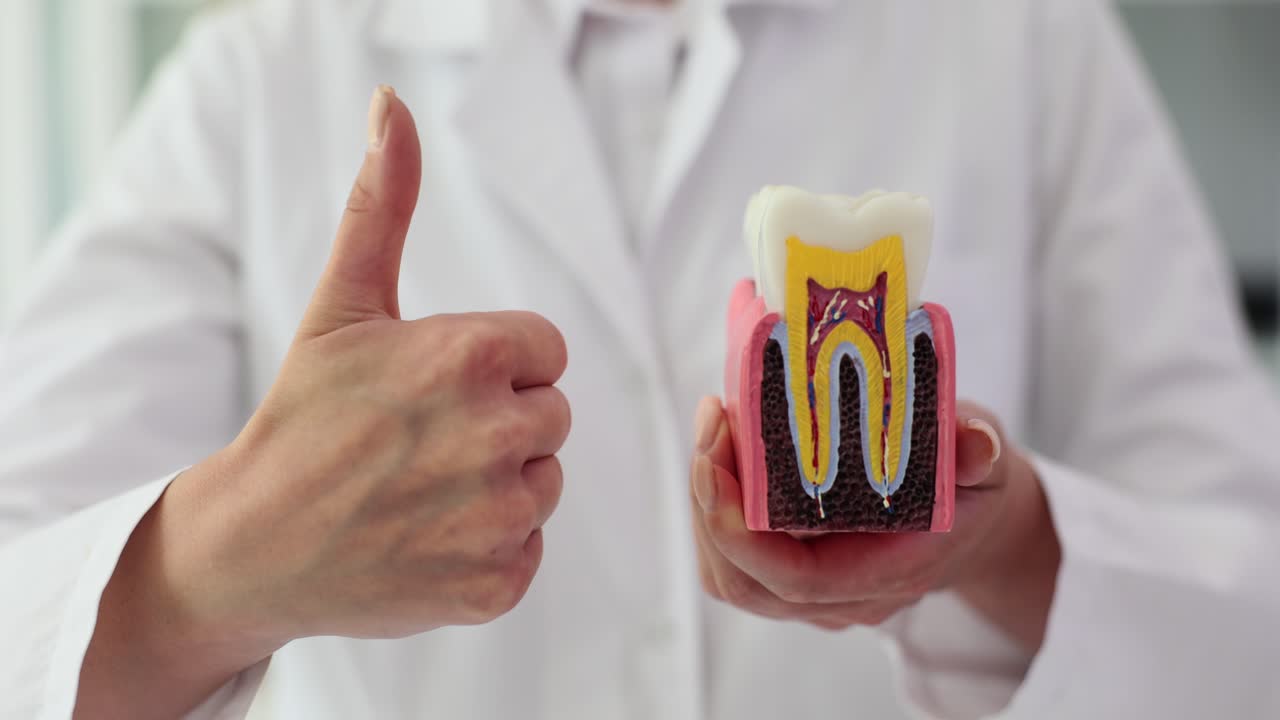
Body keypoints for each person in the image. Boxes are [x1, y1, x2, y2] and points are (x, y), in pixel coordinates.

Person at [3, 0, 1279, 718]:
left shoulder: (1020, 41)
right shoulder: (260, 75)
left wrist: (1010, 544)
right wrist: (217, 563)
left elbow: (1248, 613)